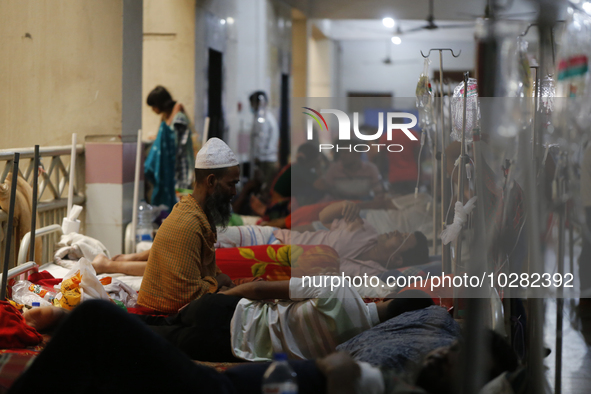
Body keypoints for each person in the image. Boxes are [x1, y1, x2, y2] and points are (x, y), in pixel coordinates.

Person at [13, 300, 519, 394]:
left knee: (100, 320)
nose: (439, 354)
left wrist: (336, 374)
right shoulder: (399, 373)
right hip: (227, 367)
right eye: (449, 349)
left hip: (219, 386)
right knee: (114, 338)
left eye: (454, 362)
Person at [136, 137, 239, 314]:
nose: (234, 192)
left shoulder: (199, 215)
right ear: (211, 181)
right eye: (231, 184)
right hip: (160, 317)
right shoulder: (188, 223)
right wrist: (221, 281)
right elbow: (185, 297)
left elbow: (205, 274)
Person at [275, 200, 430, 278]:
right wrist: (344, 205)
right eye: (402, 232)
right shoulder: (364, 228)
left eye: (401, 238)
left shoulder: (373, 275)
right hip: (277, 240)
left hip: (283, 270)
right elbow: (324, 217)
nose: (396, 231)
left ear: (397, 260)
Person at [144, 86, 195, 209]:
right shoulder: (168, 117)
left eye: (153, 106)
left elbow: (176, 144)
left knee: (181, 208)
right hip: (174, 170)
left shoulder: (178, 118)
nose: (153, 110)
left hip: (181, 171)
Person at [315, 147, 385, 201]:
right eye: (341, 153)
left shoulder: (371, 168)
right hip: (340, 205)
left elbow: (378, 192)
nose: (342, 156)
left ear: (357, 154)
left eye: (346, 152)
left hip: (365, 203)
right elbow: (328, 189)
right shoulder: (333, 169)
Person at [249, 91, 279, 190]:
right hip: (265, 158)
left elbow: (261, 139)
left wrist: (257, 157)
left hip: (265, 160)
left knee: (265, 188)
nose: (252, 106)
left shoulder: (264, 119)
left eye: (253, 103)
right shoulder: (262, 117)